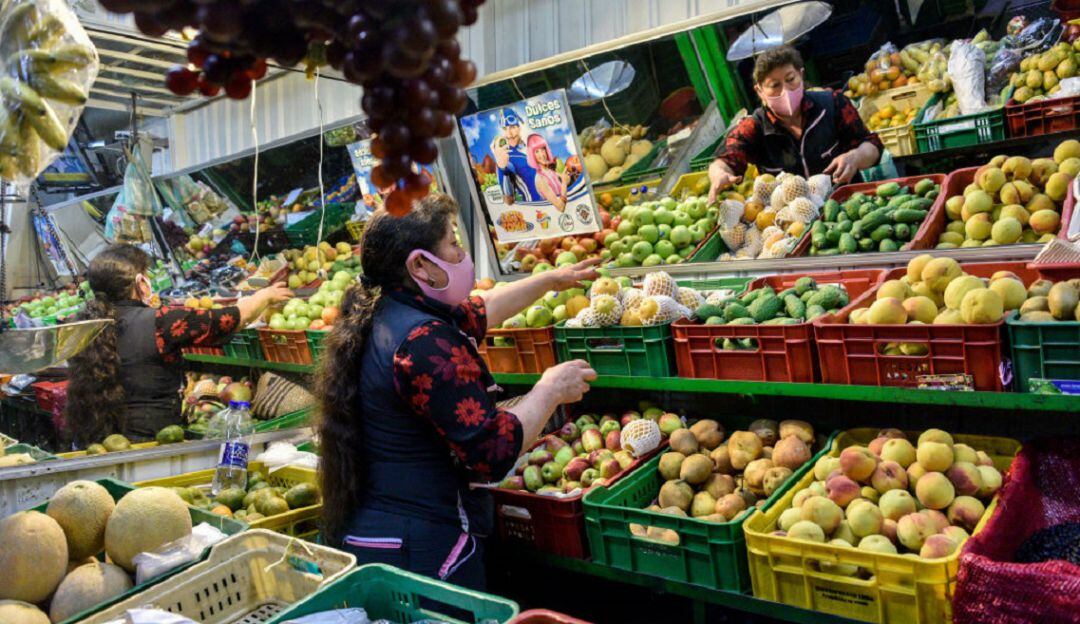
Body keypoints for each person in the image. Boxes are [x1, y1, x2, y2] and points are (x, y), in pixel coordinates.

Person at [316, 193, 598, 590]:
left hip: (382, 528)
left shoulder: (386, 309)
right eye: (452, 243)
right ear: (420, 265)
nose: (462, 253)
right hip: (422, 546)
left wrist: (550, 280)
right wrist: (549, 389)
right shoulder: (423, 342)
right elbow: (492, 451)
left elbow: (482, 310)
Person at [65, 244, 292, 446]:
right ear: (141, 283)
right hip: (154, 442)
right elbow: (228, 320)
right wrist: (264, 296)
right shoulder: (160, 321)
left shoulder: (80, 325)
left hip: (100, 441)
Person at [708, 45, 883, 203]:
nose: (785, 90)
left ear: (801, 75)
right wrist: (719, 174)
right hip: (794, 226)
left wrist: (855, 157)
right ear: (760, 91)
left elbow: (873, 145)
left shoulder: (833, 104)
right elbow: (726, 158)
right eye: (774, 85)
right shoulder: (754, 127)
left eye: (790, 79)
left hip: (849, 206)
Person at [492, 109, 538, 204]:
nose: (509, 134)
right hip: (536, 207)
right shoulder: (507, 156)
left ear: (520, 127)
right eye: (505, 129)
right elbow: (508, 200)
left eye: (512, 127)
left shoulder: (533, 145)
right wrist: (501, 168)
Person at [527, 133, 571, 212]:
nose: (542, 154)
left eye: (543, 149)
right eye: (537, 151)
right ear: (532, 155)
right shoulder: (540, 179)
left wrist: (566, 179)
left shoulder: (550, 172)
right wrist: (564, 183)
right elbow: (560, 208)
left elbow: (565, 179)